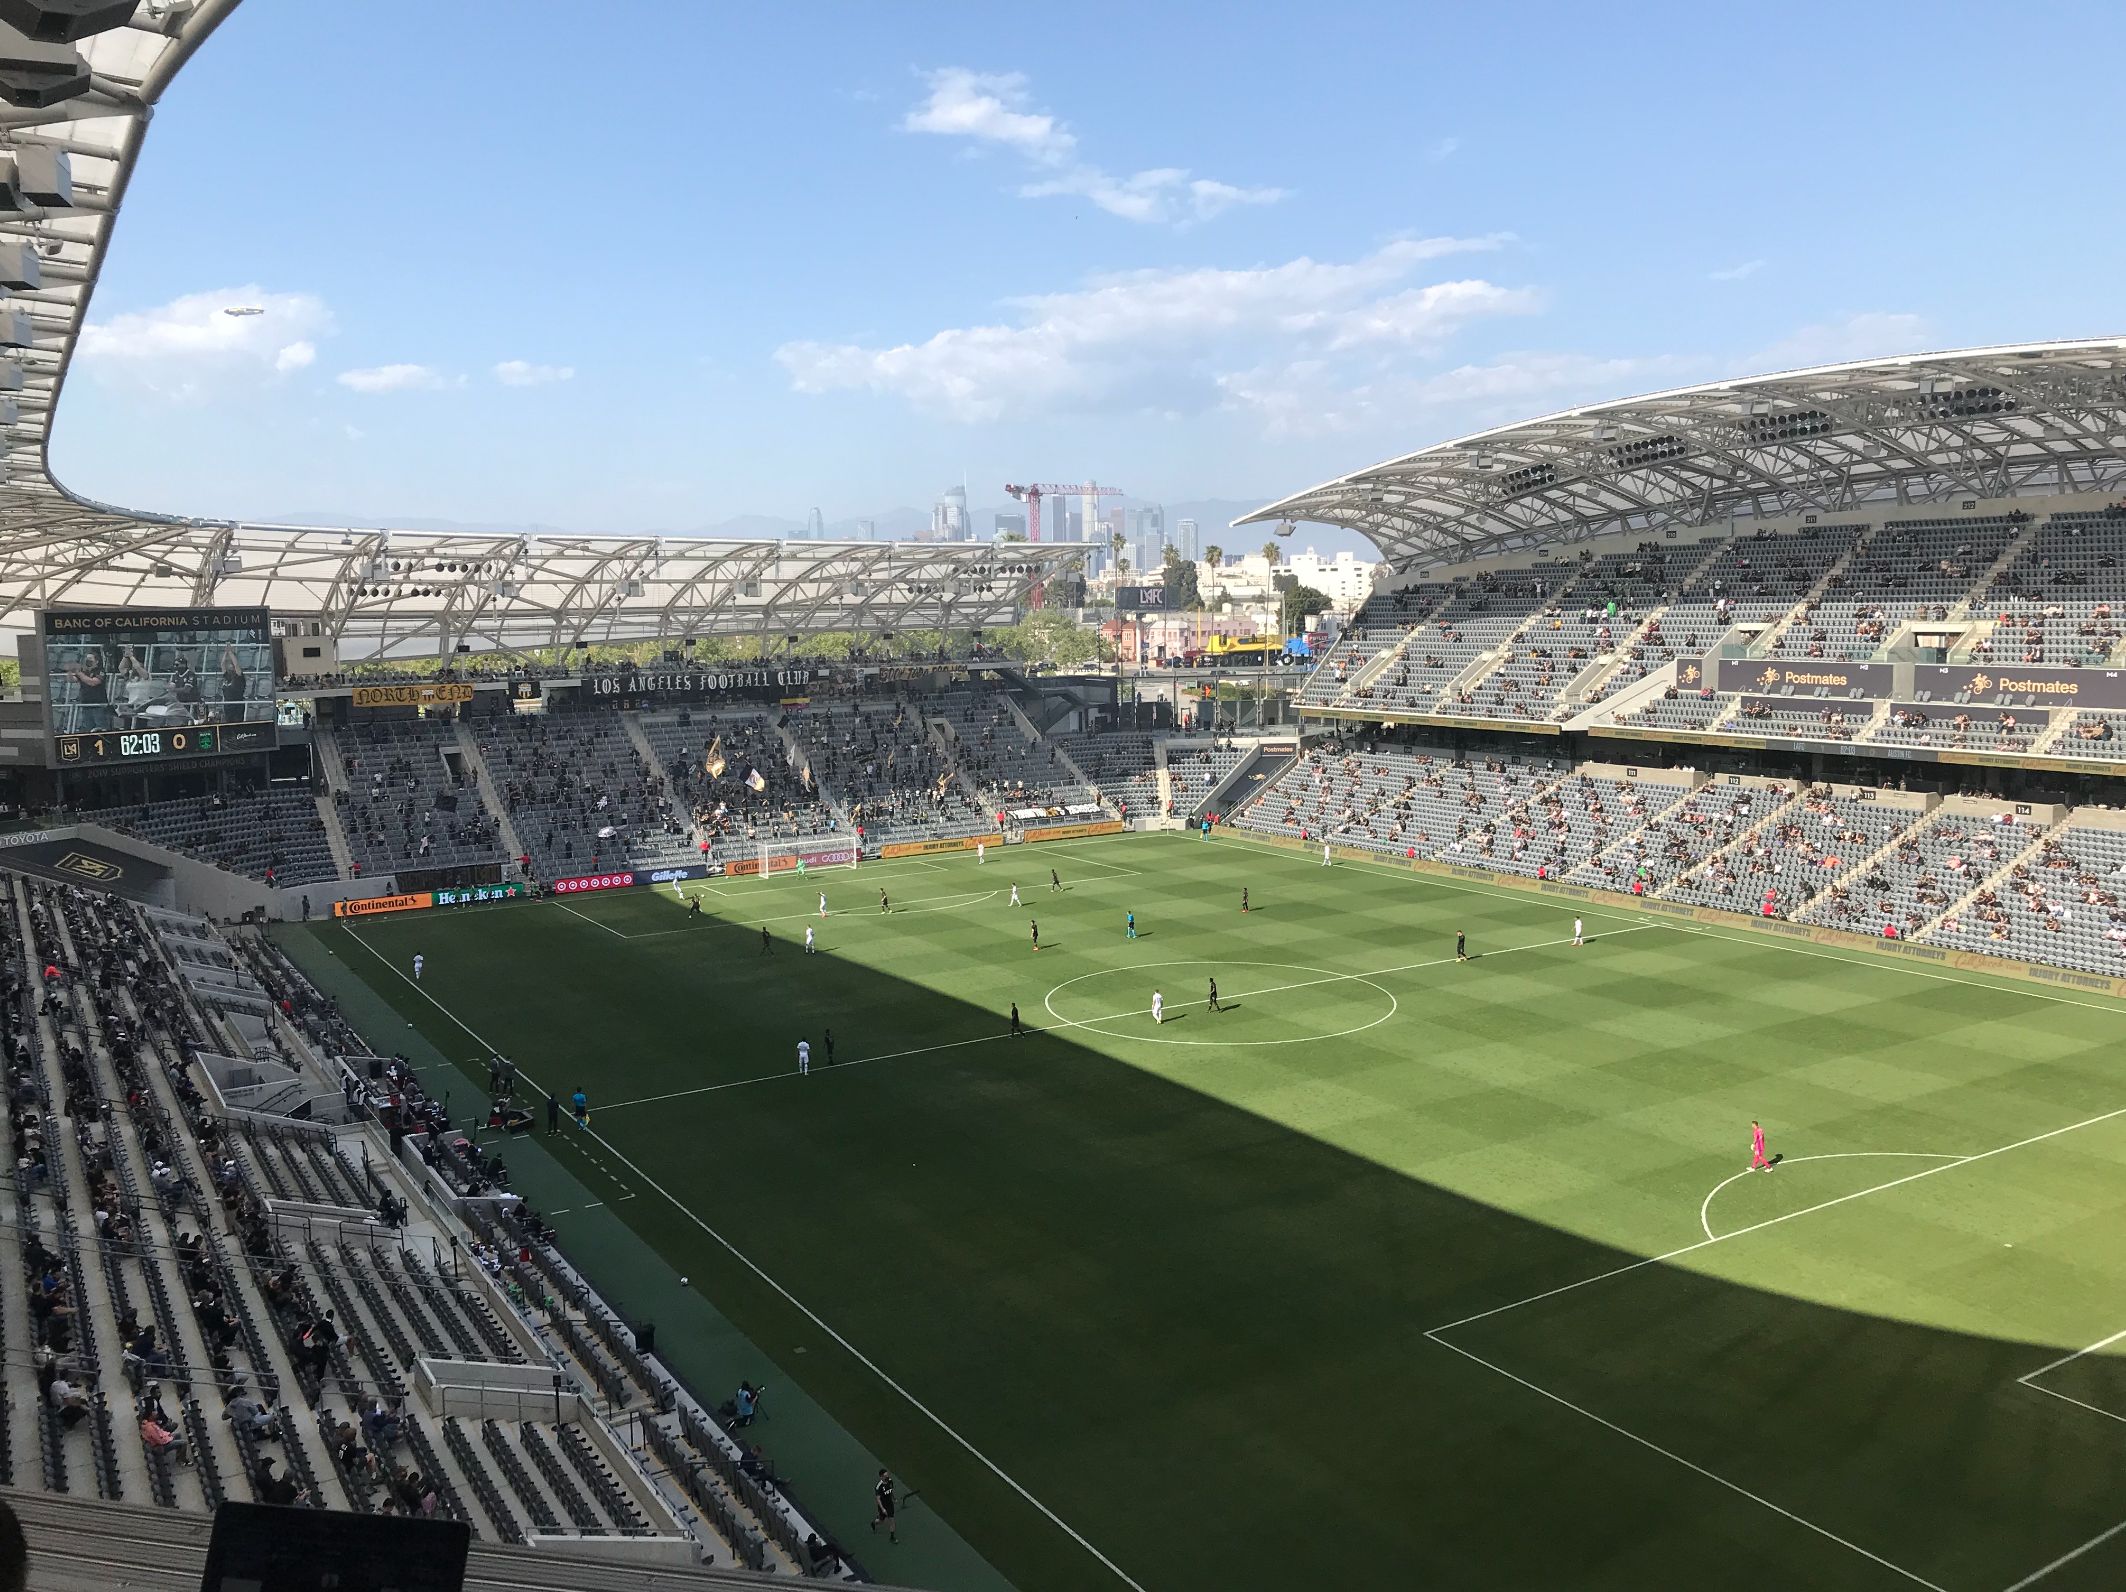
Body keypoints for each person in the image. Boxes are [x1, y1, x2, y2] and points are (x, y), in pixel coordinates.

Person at [872, 1468, 898, 1545]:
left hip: (890, 1505)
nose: (887, 1477)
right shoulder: (878, 1487)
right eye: (885, 1476)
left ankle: (892, 1538)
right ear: (881, 1477)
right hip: (883, 1506)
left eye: (887, 1475)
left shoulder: (890, 1481)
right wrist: (883, 1509)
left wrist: (894, 1498)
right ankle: (874, 1523)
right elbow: (878, 1499)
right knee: (881, 1521)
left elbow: (891, 1491)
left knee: (892, 1521)